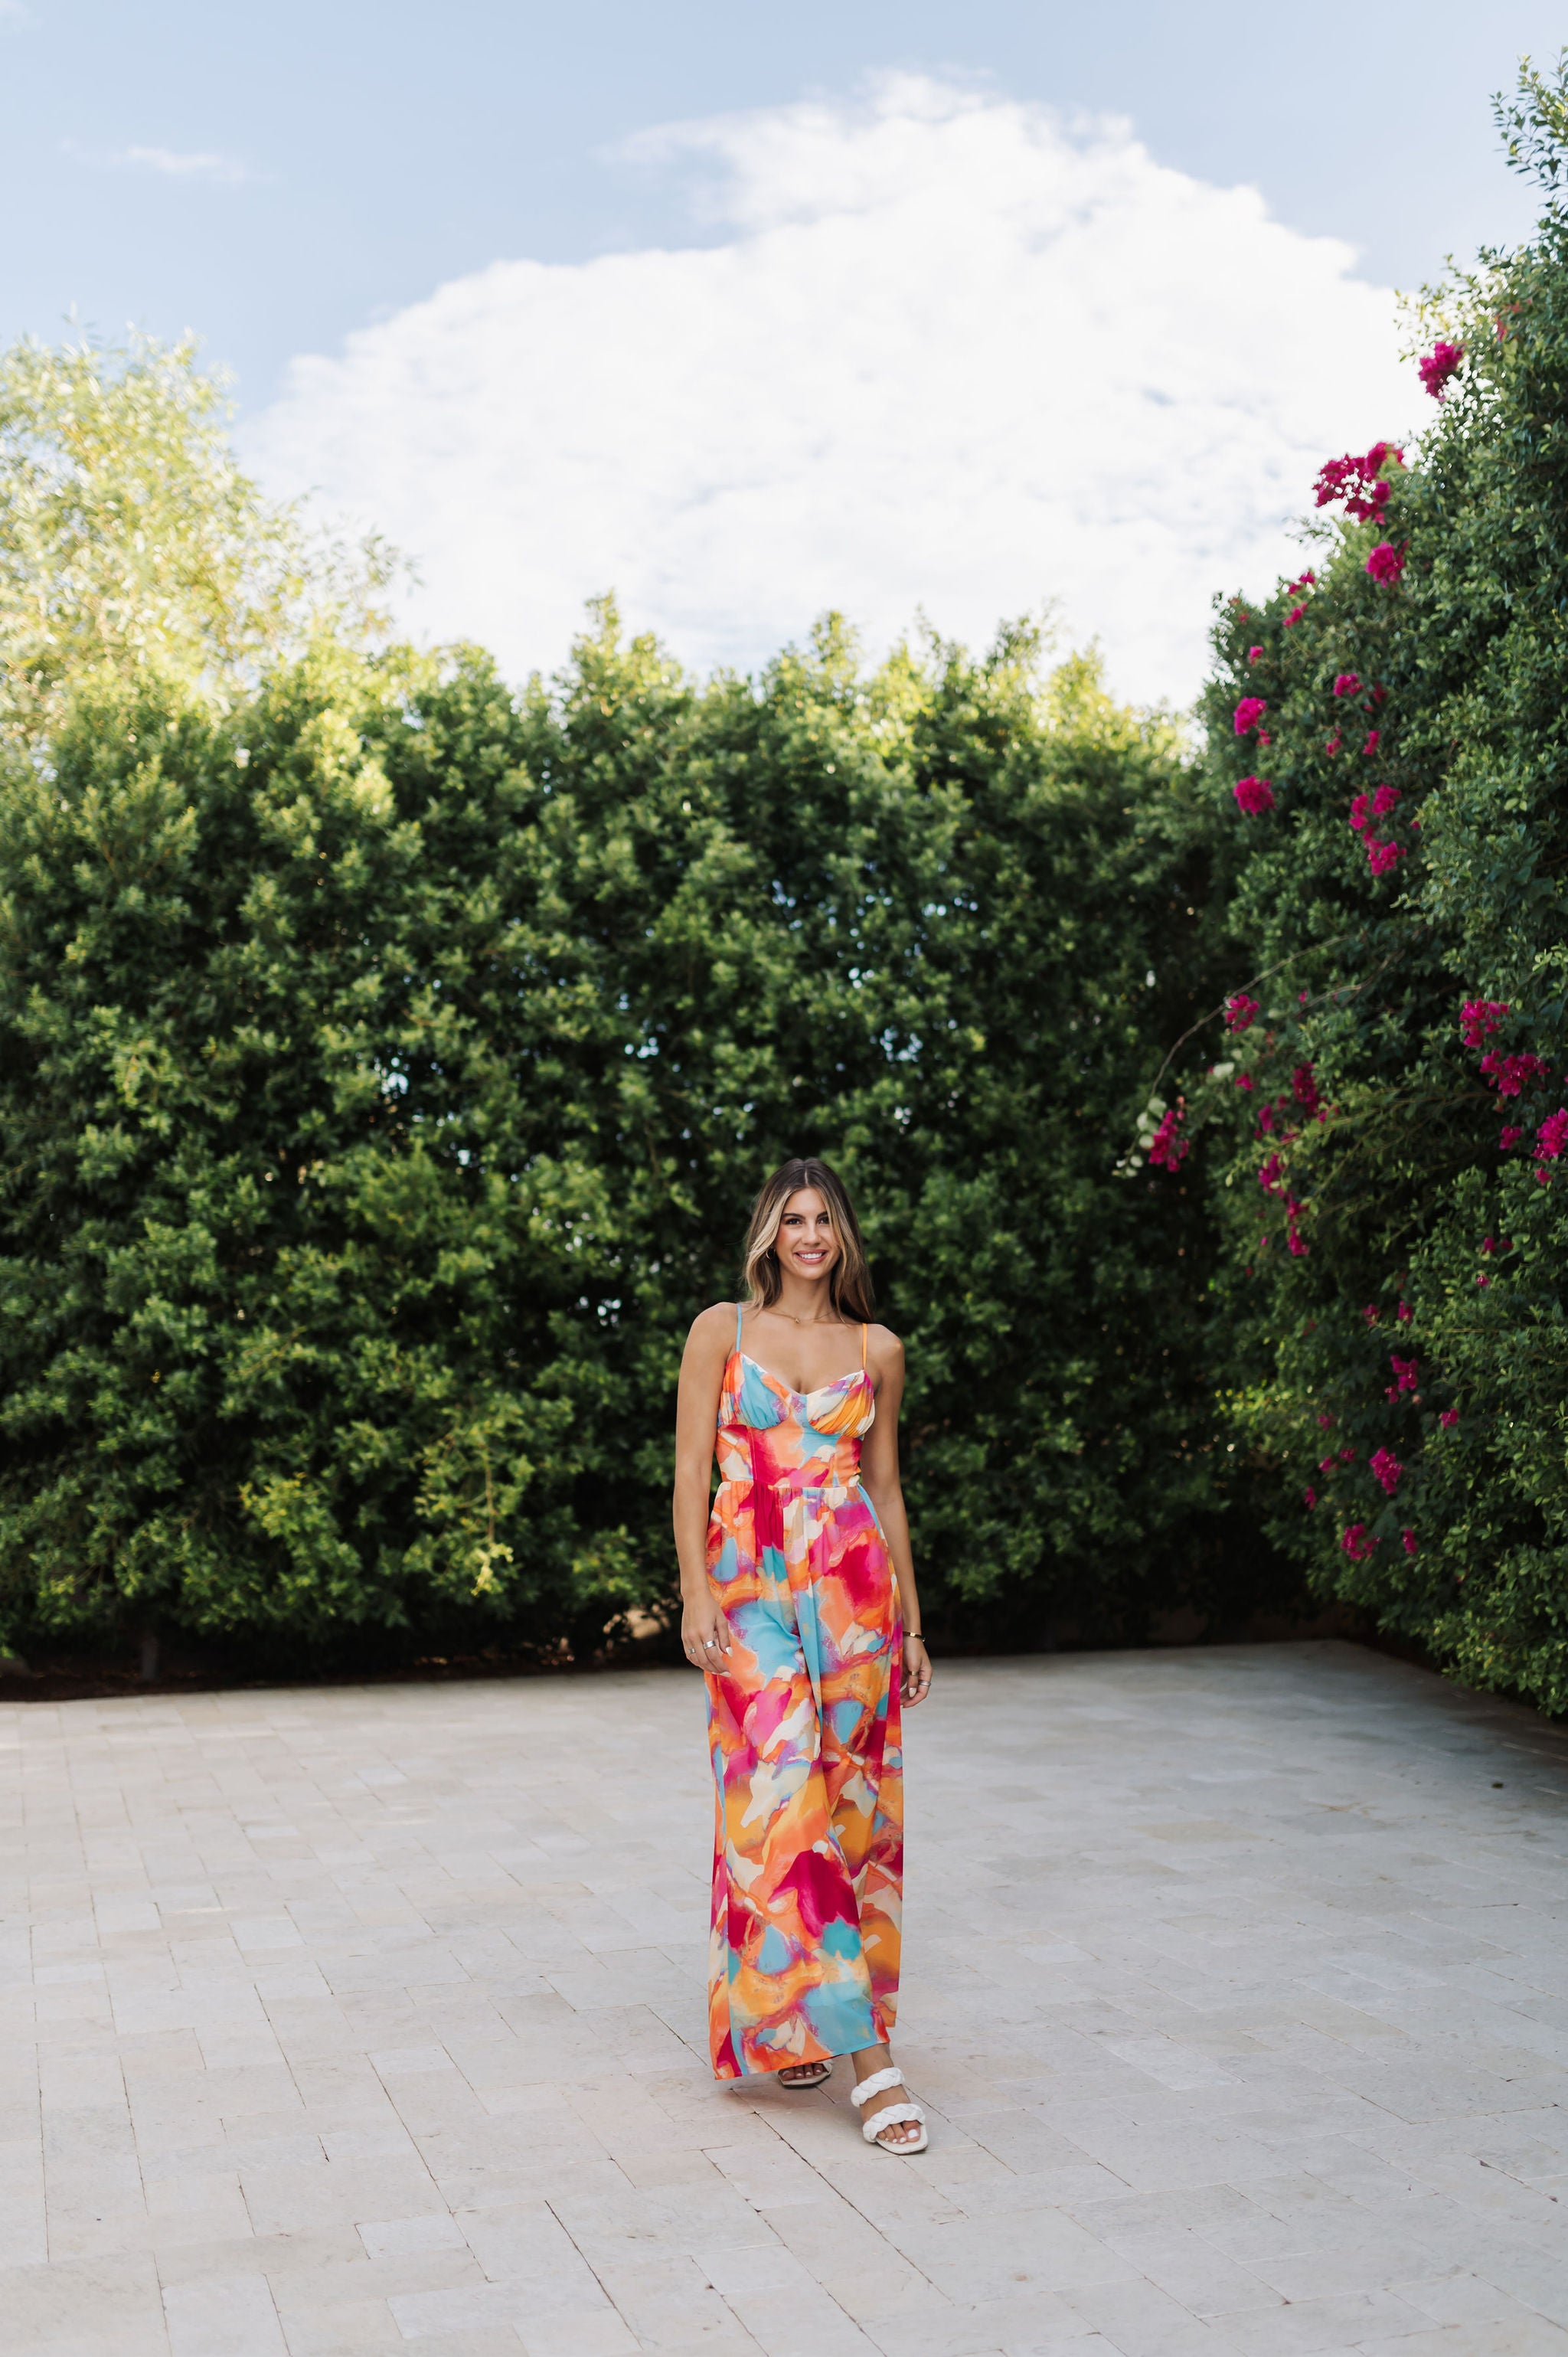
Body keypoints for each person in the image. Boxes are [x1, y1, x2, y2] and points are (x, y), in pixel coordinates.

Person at [672, 1156, 933, 2153]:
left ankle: (796, 2021)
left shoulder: (880, 1346)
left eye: (826, 1219)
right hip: (750, 1592)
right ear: (769, 1234)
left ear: (845, 1233)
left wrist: (911, 1621)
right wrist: (695, 1590)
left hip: (857, 1594)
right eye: (795, 1219)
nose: (811, 1235)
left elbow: (890, 1487)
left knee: (848, 1810)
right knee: (783, 1798)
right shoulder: (720, 1330)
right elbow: (693, 1468)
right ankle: (871, 2062)